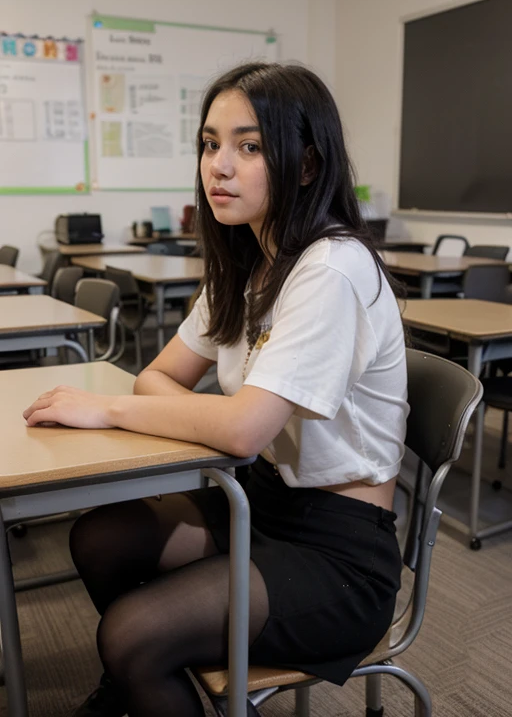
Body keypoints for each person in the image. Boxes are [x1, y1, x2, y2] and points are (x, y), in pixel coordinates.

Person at [23, 62, 409, 717]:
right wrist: (206, 410)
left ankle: (139, 671)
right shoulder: (247, 265)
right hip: (260, 501)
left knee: (132, 634)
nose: (218, 166)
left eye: (249, 146)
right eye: (210, 143)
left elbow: (242, 430)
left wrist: (105, 407)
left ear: (307, 165)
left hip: (340, 552)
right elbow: (160, 376)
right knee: (99, 538)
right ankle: (139, 688)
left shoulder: (331, 270)